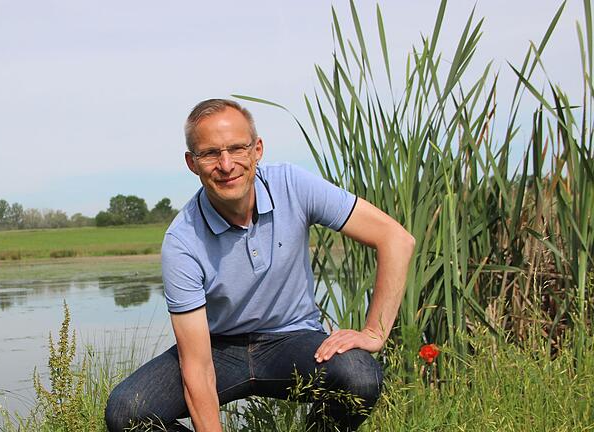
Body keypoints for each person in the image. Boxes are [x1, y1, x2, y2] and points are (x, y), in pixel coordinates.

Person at [105, 99, 415, 431]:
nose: (226, 165)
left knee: (360, 375)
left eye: (237, 148)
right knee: (127, 413)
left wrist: (374, 332)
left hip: (293, 339)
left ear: (257, 150)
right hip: (219, 347)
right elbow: (197, 365)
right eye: (210, 154)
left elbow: (396, 239)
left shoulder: (292, 185)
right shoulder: (182, 241)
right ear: (191, 163)